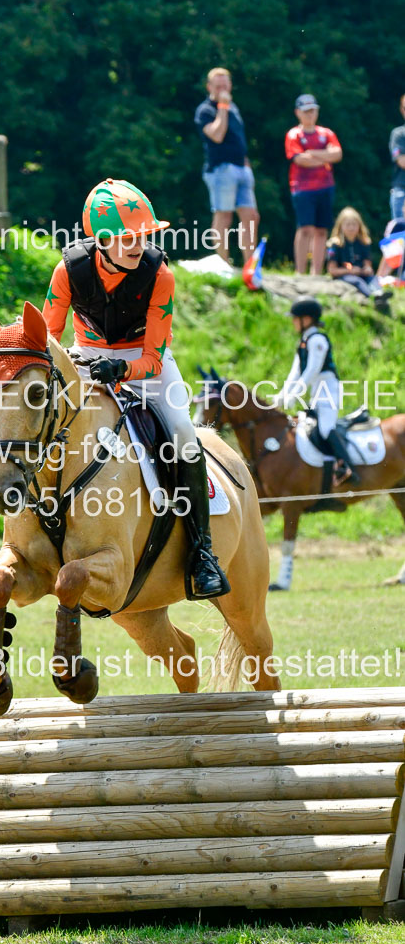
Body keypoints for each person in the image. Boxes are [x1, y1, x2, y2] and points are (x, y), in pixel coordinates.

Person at [42, 178, 230, 600]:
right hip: (85, 358)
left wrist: (121, 368)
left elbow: (153, 358)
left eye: (144, 236)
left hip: (145, 365)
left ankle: (202, 552)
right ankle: (27, 532)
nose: (139, 245)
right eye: (129, 238)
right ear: (102, 241)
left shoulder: (159, 274)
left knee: (183, 435)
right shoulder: (68, 270)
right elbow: (48, 339)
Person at [273, 297, 360, 486]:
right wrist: (282, 395)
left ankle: (347, 466)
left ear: (306, 319)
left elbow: (312, 370)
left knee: (325, 428)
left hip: (329, 390)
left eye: (295, 318)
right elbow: (295, 373)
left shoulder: (318, 340)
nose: (293, 322)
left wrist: (295, 394)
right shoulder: (304, 342)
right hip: (317, 392)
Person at [194, 67, 259, 265]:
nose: (222, 89)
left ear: (230, 85)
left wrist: (246, 163)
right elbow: (217, 135)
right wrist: (222, 106)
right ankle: (223, 264)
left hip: (242, 168)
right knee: (224, 215)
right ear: (209, 87)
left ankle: (250, 267)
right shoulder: (205, 110)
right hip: (220, 170)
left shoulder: (233, 107)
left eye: (225, 85)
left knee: (251, 216)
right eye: (218, 86)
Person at [285, 94, 342, 274]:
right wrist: (324, 157)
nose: (310, 114)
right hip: (302, 188)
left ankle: (316, 272)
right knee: (305, 229)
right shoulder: (294, 134)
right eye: (306, 111)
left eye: (313, 111)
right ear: (298, 113)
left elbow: (337, 154)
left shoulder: (326, 133)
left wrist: (312, 153)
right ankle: (300, 271)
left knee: (321, 230)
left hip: (325, 186)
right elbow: (300, 160)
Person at [326, 207, 392, 312]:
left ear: (359, 226)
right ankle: (374, 297)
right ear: (341, 226)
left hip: (360, 273)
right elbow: (332, 270)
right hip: (344, 275)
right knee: (357, 281)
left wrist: (367, 269)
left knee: (372, 279)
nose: (351, 228)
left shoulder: (363, 242)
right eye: (348, 225)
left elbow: (367, 264)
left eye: (354, 224)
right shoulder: (334, 245)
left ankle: (380, 294)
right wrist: (350, 271)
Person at [388, 94, 405, 220]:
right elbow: (402, 161)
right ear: (401, 110)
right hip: (402, 191)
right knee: (400, 230)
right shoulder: (398, 134)